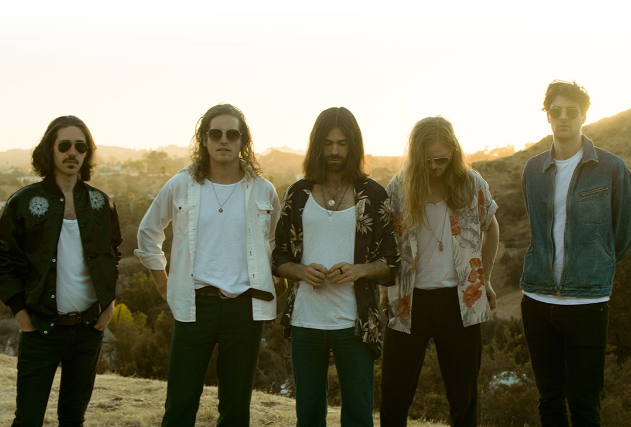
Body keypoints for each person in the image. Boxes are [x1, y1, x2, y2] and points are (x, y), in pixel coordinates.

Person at [135, 104, 281, 427]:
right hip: (194, 305)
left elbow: (274, 243)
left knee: (236, 405)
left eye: (232, 134)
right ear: (204, 139)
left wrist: (275, 280)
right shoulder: (180, 184)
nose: (223, 140)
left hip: (244, 309)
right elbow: (148, 233)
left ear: (243, 140)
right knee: (180, 402)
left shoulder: (264, 189)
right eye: (215, 133)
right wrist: (163, 283)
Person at [273, 106, 399, 427]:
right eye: (328, 143)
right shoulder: (297, 194)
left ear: (353, 146)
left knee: (358, 416)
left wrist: (359, 270)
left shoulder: (374, 195)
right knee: (308, 416)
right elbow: (279, 258)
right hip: (305, 322)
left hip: (355, 324)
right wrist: (302, 272)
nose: (334, 151)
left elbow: (392, 262)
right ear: (317, 145)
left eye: (342, 143)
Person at [520, 80, 631, 427]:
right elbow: (537, 227)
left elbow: (623, 234)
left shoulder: (612, 168)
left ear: (584, 115)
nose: (563, 117)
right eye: (556, 110)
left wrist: (597, 263)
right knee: (549, 401)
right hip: (537, 299)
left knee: (585, 406)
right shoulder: (532, 169)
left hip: (587, 302)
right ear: (548, 116)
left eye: (572, 111)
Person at [0, 115, 122, 427]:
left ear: (87, 153)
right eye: (64, 145)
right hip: (40, 328)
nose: (72, 152)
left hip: (87, 329)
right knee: (27, 419)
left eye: (80, 146)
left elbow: (112, 255)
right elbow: (4, 261)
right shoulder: (23, 203)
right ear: (50, 149)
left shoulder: (101, 203)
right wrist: (21, 314)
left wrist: (109, 305)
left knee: (73, 419)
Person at [381, 116, 499, 427]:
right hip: (409, 301)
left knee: (463, 397)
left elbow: (491, 226)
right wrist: (385, 288)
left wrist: (485, 279)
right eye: (427, 160)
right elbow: (386, 242)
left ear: (454, 152)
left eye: (441, 159)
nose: (434, 167)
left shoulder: (472, 184)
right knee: (394, 393)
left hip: (459, 301)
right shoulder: (399, 187)